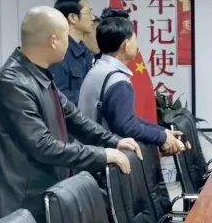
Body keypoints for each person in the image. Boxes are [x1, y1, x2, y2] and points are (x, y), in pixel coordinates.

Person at [0, 7, 140, 223]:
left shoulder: (38, 73)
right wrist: (102, 155)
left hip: (40, 194)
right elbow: (43, 146)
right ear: (53, 41)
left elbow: (74, 117)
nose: (71, 43)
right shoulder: (13, 84)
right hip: (18, 203)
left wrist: (114, 141)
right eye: (66, 36)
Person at [78, 9, 186, 154]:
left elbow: (129, 119)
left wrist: (163, 132)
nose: (138, 46)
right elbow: (127, 126)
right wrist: (162, 138)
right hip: (104, 158)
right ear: (126, 45)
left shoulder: (99, 69)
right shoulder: (117, 81)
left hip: (91, 152)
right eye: (135, 39)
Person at [48, 0, 97, 105]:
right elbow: (58, 97)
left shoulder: (86, 51)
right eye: (88, 12)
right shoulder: (59, 53)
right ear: (73, 17)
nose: (93, 18)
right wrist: (93, 97)